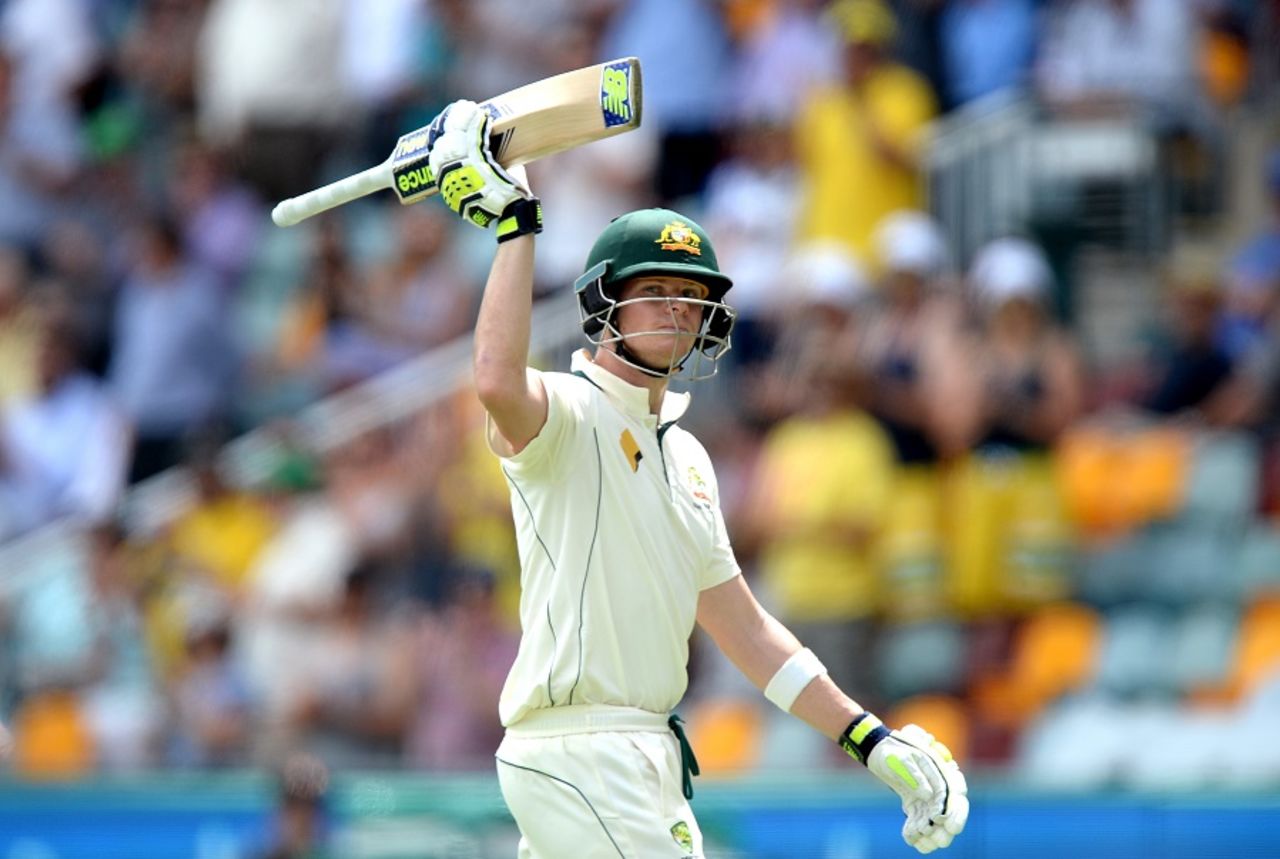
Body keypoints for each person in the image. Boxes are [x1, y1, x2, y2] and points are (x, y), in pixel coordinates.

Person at [419, 99, 969, 856]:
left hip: (642, 754)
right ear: (604, 304)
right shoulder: (569, 415)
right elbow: (495, 380)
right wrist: (515, 226)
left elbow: (746, 630)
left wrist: (869, 738)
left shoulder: (689, 458)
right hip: (582, 749)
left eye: (694, 296)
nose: (680, 311)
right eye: (657, 293)